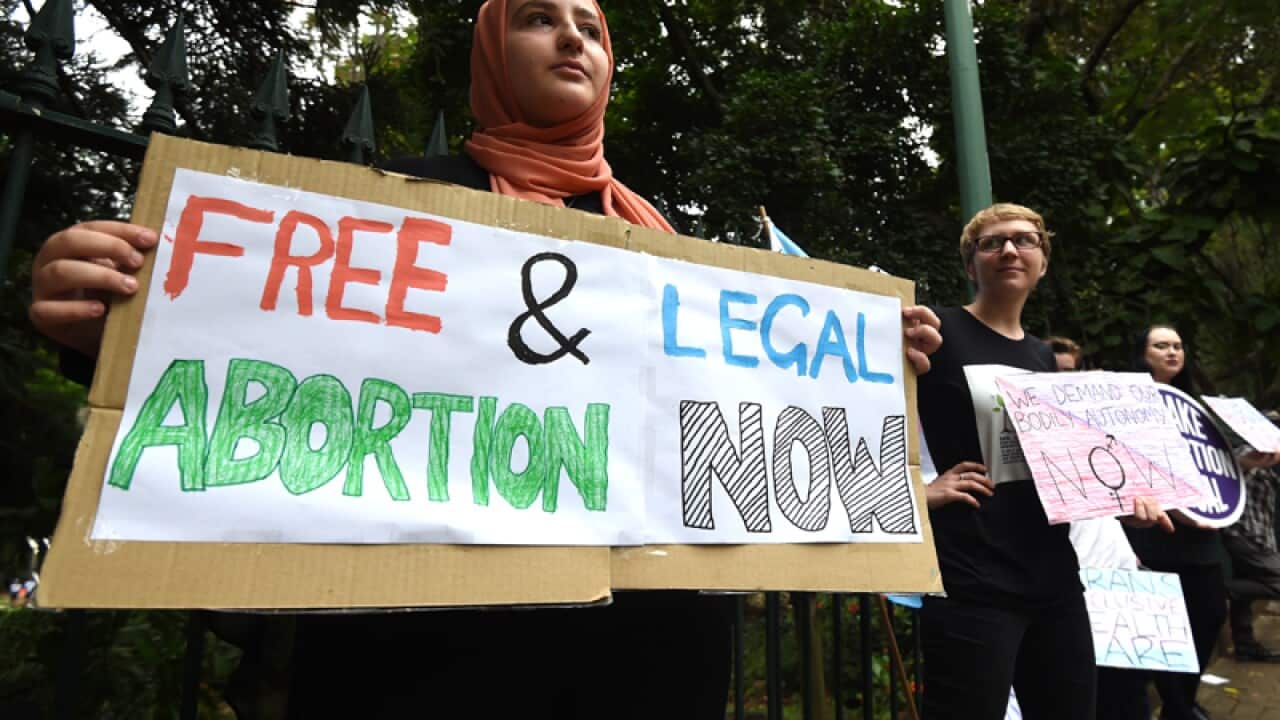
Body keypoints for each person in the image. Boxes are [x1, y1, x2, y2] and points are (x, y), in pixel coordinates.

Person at [28, 1, 942, 716]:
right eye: (540, 20)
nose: (572, 40)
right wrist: (110, 323)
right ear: (491, 53)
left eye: (591, 28)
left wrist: (868, 360)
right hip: (431, 652)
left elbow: (740, 410)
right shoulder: (387, 204)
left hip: (656, 648)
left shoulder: (670, 248)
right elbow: (257, 360)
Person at [917, 203, 1170, 720]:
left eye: (1024, 240)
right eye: (992, 242)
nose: (1009, 249)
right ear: (971, 267)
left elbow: (1065, 469)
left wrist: (1120, 500)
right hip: (972, 583)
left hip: (1055, 581)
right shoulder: (936, 331)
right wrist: (919, 490)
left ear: (1043, 261)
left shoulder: (1042, 359)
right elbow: (863, 412)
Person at [1123, 324, 1226, 720]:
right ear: (1143, 353)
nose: (1171, 352)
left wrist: (1249, 462)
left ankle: (1184, 700)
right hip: (1156, 534)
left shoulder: (1196, 407)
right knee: (1163, 628)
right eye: (1161, 345)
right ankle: (1180, 707)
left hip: (1202, 533)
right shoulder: (1125, 402)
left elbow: (1216, 466)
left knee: (1211, 615)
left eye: (1178, 345)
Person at [1222, 432, 1280, 662]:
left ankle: (1245, 645)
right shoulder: (1249, 451)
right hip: (1245, 534)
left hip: (1260, 535)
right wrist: (1252, 460)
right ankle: (1223, 589)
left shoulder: (1272, 460)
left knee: (1245, 596)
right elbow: (1235, 465)